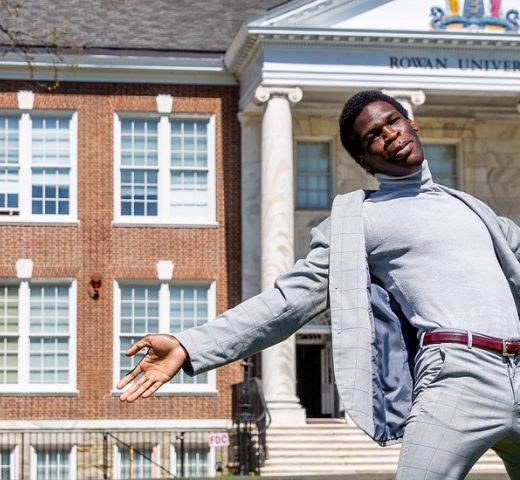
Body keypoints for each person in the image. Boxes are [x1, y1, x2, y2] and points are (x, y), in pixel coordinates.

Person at [117, 90, 520, 479]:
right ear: (365, 159)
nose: (389, 136)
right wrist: (192, 345)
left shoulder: (473, 209)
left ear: (410, 122)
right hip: (456, 374)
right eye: (373, 137)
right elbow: (288, 300)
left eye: (392, 122)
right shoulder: (364, 220)